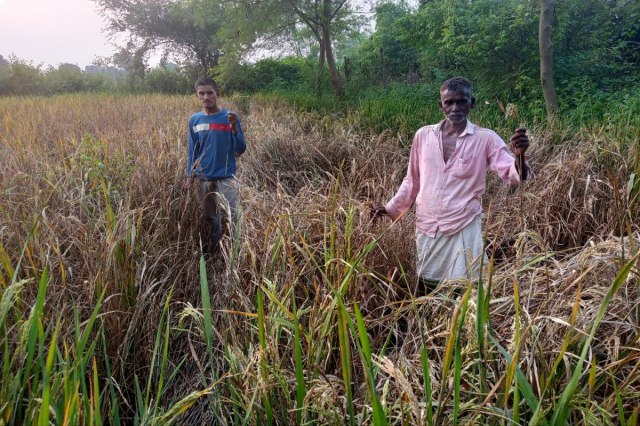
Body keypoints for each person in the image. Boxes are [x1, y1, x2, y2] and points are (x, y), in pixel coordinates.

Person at [371, 77, 529, 294]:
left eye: (462, 101)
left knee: (466, 286)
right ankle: (433, 323)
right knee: (427, 282)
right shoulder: (423, 136)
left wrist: (520, 157)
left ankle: (464, 325)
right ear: (441, 105)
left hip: (464, 223)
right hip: (428, 224)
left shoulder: (486, 139)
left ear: (472, 103)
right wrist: (390, 208)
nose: (455, 108)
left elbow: (513, 174)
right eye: (449, 102)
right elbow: (412, 179)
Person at [185, 77, 246, 253]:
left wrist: (234, 129)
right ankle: (216, 250)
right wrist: (190, 175)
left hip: (226, 176)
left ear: (217, 94)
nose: (206, 97)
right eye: (201, 93)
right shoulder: (194, 120)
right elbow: (193, 150)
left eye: (209, 93)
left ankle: (235, 251)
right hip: (203, 177)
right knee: (211, 217)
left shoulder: (230, 117)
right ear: (197, 95)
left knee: (233, 215)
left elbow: (241, 149)